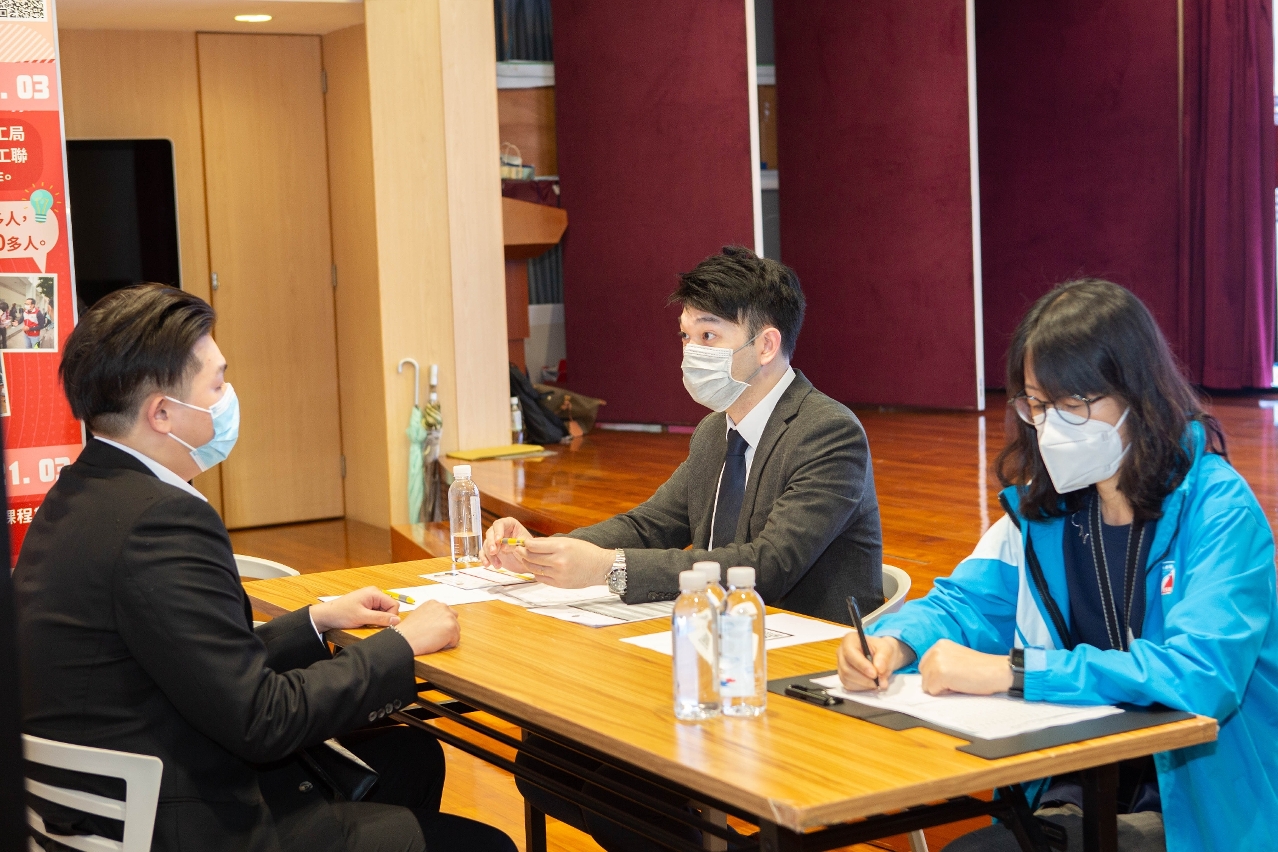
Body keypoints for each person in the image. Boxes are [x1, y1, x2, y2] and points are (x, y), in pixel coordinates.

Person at [15, 285, 516, 852]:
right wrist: (402, 645)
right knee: (487, 844)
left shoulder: (82, 491)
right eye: (217, 384)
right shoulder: (160, 521)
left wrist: (315, 622)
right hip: (185, 820)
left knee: (411, 754)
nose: (228, 398)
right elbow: (262, 720)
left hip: (118, 790)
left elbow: (198, 661)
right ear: (162, 413)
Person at [838, 279, 1278, 851]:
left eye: (1074, 404)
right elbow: (964, 603)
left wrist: (1019, 672)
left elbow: (1201, 675)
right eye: (1038, 406)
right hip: (1078, 782)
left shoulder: (1218, 510)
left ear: (1137, 394)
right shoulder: (1045, 512)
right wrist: (893, 642)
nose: (1051, 427)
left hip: (1195, 811)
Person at [487, 246, 884, 851]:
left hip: (797, 664)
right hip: (709, 650)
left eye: (709, 335)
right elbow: (652, 525)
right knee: (548, 760)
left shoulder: (827, 432)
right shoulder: (713, 431)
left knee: (627, 796)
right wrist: (546, 548)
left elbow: (767, 567)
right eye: (686, 336)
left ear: (766, 344)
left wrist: (610, 569)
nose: (691, 352)